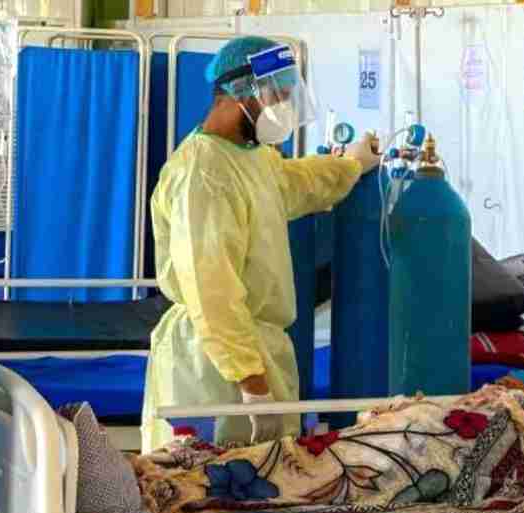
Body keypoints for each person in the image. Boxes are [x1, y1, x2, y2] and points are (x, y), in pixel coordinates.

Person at [142, 36, 380, 453]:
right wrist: (253, 386)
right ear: (241, 92)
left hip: (256, 353)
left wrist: (352, 164)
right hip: (217, 368)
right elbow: (212, 292)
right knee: (207, 484)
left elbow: (295, 182)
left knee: (269, 481)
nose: (283, 108)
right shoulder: (203, 174)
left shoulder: (250, 156)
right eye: (278, 96)